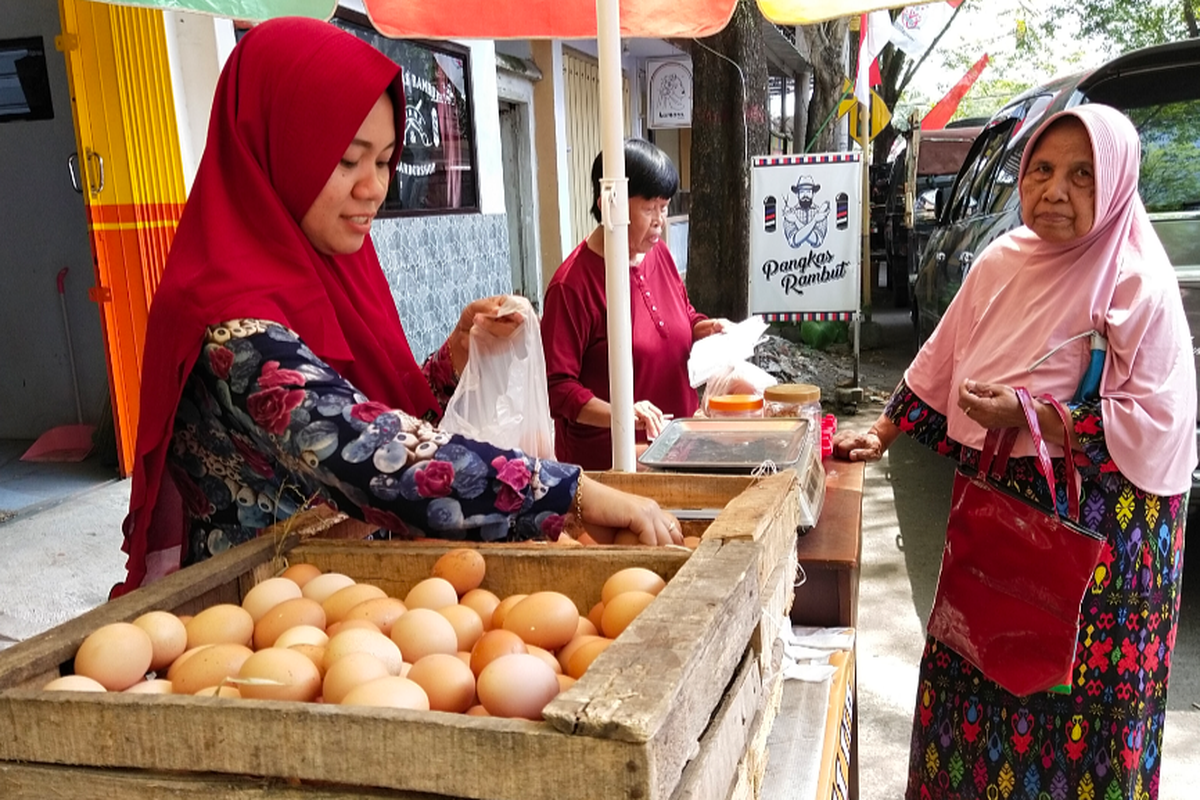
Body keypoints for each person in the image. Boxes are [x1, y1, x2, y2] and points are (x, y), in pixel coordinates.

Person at [113, 18, 682, 597]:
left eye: (384, 161)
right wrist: (572, 494)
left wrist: (451, 364)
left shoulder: (330, 268)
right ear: (273, 144)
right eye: (346, 161)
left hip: (346, 597)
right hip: (259, 619)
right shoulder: (226, 320)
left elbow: (365, 403)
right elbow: (375, 454)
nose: (373, 189)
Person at [835, 104, 1194, 800]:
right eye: (1042, 170)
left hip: (1103, 550)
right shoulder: (1001, 262)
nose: (1055, 190)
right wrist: (881, 432)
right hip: (997, 526)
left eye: (1082, 175)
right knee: (972, 677)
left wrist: (1036, 417)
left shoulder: (1135, 283)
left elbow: (1157, 418)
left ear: (1117, 182)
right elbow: (944, 361)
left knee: (1081, 733)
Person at [541, 139, 728, 469]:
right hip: (612, 465)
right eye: (649, 208)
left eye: (665, 208)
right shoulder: (571, 285)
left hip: (677, 446)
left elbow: (682, 313)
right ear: (608, 204)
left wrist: (705, 328)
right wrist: (623, 414)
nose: (660, 221)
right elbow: (557, 387)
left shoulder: (660, 253)